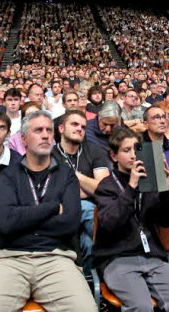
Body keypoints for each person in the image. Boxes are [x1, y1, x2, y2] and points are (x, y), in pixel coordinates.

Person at [0, 111, 96, 312]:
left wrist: (22, 217)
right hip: (9, 259)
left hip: (56, 259)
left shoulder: (66, 176)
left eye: (49, 130)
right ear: (23, 139)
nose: (46, 135)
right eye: (38, 130)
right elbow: (5, 223)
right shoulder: (8, 176)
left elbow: (69, 224)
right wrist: (52, 208)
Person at [93, 128, 169, 312]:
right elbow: (110, 223)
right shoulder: (107, 186)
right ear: (114, 156)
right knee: (141, 306)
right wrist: (131, 187)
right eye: (126, 150)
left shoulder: (151, 182)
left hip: (153, 257)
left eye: (135, 149)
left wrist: (166, 189)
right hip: (117, 259)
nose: (132, 155)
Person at [53, 109, 111, 266]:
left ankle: (89, 284)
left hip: (91, 213)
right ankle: (116, 241)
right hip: (60, 213)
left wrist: (75, 176)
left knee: (89, 244)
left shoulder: (94, 150)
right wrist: (88, 186)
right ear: (61, 128)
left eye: (83, 127)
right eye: (74, 124)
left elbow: (103, 189)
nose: (80, 129)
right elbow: (54, 194)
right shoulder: (50, 155)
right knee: (85, 207)